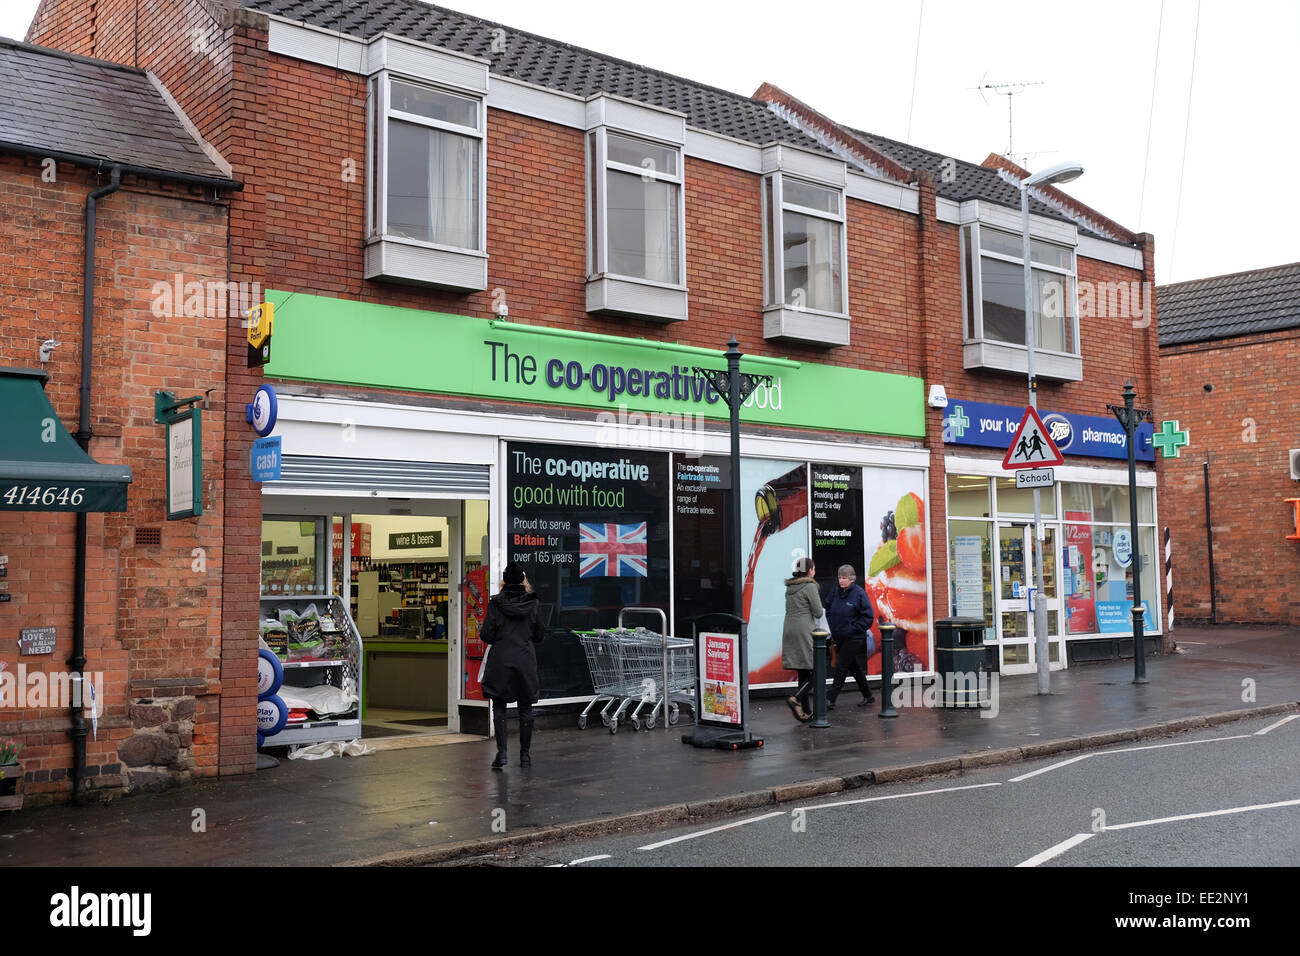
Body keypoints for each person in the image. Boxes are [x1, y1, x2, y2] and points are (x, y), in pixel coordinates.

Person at [481, 563, 545, 768]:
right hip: (525, 660)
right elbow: (539, 635)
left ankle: (502, 754)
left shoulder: (496, 604)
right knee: (525, 707)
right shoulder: (533, 604)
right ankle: (525, 756)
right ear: (523, 581)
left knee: (499, 706)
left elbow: (486, 635)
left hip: (500, 660)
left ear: (505, 581)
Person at [824, 564, 876, 709]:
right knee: (853, 667)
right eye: (839, 577)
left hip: (854, 638)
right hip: (839, 636)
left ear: (851, 579)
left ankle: (830, 698)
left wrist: (853, 629)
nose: (841, 580)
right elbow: (827, 607)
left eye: (844, 578)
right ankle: (868, 695)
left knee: (841, 666)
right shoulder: (835, 592)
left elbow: (868, 616)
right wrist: (831, 625)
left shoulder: (859, 594)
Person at [781, 557, 823, 723]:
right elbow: (818, 612)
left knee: (803, 670)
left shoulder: (790, 587)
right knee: (817, 670)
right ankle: (796, 698)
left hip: (789, 629)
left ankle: (806, 711)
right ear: (810, 570)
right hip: (804, 630)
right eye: (813, 568)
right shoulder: (810, 586)